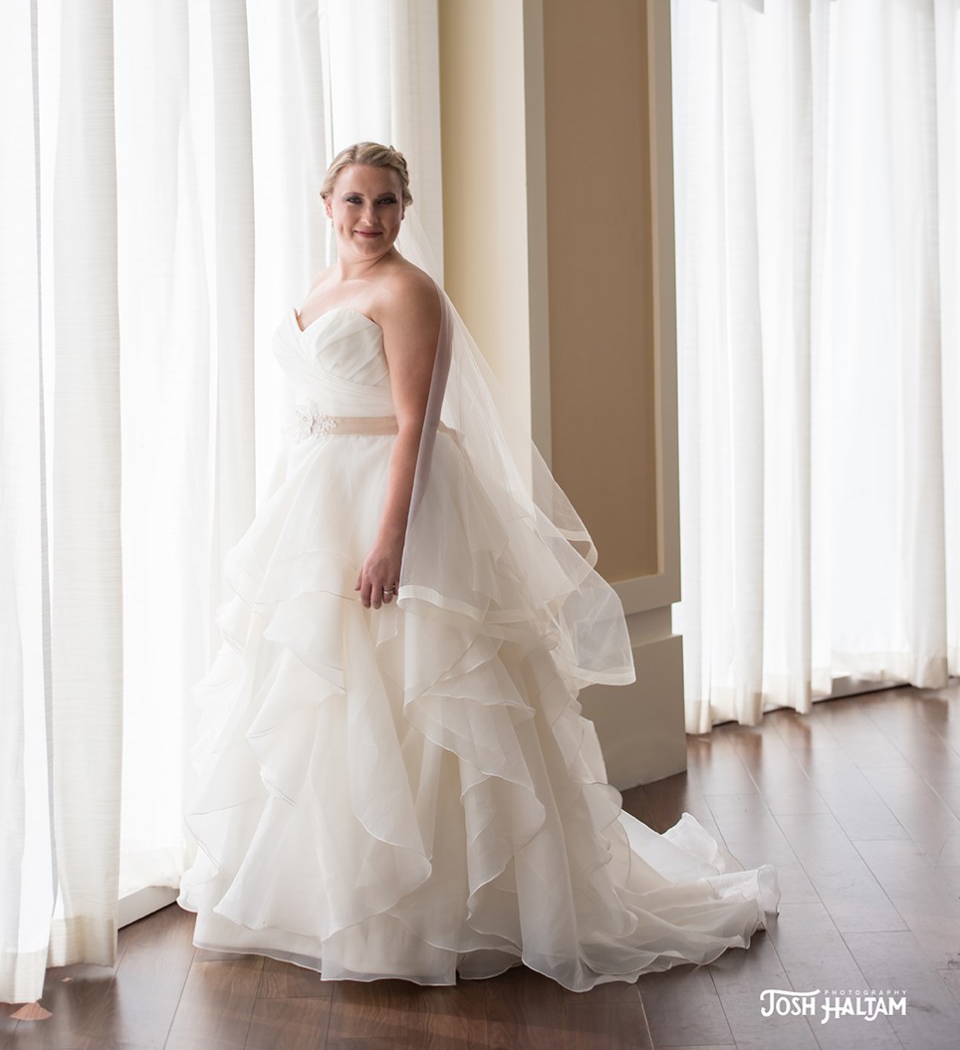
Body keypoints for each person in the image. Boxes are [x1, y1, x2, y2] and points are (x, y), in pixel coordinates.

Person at [178, 141, 779, 991]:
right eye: (355, 200)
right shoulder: (319, 288)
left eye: (387, 202)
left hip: (393, 501)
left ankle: (442, 910)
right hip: (315, 505)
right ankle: (328, 897)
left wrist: (391, 539)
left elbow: (416, 425)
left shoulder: (409, 291)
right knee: (328, 695)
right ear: (326, 204)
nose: (371, 218)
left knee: (421, 691)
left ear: (404, 207)